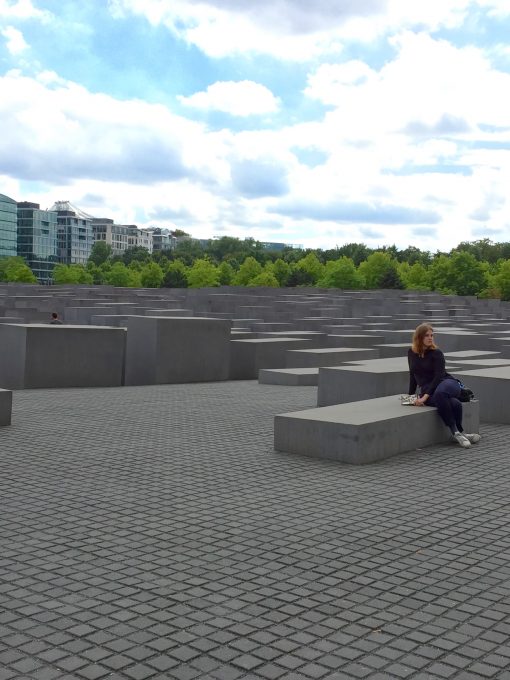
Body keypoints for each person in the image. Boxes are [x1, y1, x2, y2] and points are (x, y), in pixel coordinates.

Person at [407, 323, 480, 448]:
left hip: (447, 383)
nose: (430, 338)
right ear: (419, 337)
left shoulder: (437, 353)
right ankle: (461, 433)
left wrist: (424, 397)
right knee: (454, 403)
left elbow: (438, 376)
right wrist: (410, 396)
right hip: (428, 389)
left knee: (441, 393)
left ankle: (455, 433)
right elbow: (412, 375)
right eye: (427, 336)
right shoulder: (411, 352)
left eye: (432, 335)